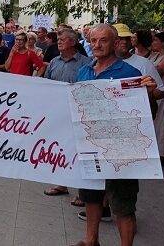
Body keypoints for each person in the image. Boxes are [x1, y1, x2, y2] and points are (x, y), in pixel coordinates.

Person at [73, 24, 157, 246]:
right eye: (93, 41)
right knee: (91, 196)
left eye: (103, 40)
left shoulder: (130, 73)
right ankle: (91, 241)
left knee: (122, 205)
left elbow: (145, 113)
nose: (97, 45)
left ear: (115, 43)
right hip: (90, 145)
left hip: (121, 149)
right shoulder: (84, 71)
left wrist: (146, 93)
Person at [41, 29, 91, 202]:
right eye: (59, 39)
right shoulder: (54, 61)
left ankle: (83, 192)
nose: (59, 42)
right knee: (60, 148)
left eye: (62, 39)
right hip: (57, 113)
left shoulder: (87, 63)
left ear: (73, 42)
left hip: (77, 114)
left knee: (79, 150)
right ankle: (61, 183)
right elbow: (46, 85)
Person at [149, 32, 164, 161]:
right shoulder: (155, 55)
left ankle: (160, 153)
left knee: (161, 121)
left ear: (163, 42)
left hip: (163, 89)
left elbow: (159, 71)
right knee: (153, 120)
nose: (153, 43)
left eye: (156, 40)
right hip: (154, 89)